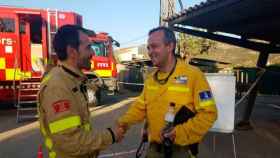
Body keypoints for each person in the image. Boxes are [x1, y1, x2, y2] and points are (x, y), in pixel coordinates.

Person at [117, 26, 217, 158]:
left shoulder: (194, 75)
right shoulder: (151, 79)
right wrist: (122, 123)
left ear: (170, 46)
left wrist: (178, 133)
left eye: (154, 46)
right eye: (148, 48)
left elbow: (209, 114)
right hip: (154, 150)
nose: (150, 52)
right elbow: (139, 107)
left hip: (180, 151)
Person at [38, 25, 124, 158]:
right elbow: (71, 142)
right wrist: (111, 135)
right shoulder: (58, 86)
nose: (92, 53)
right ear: (72, 52)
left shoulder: (70, 80)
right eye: (88, 47)